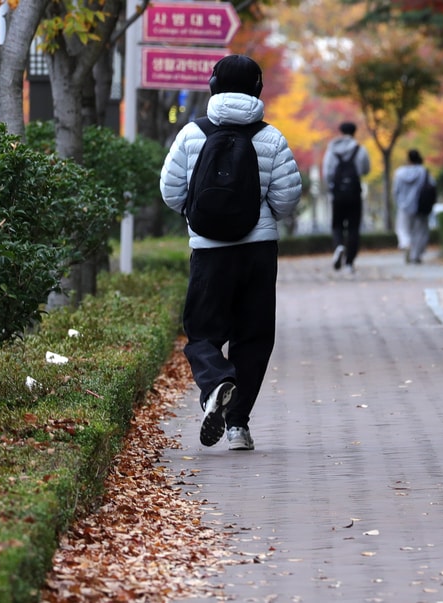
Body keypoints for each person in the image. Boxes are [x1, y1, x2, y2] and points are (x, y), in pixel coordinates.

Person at [159, 55, 302, 452]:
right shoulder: (270, 137)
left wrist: (199, 215)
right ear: (258, 89)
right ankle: (238, 425)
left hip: (209, 252)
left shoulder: (192, 134)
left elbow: (171, 193)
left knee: (202, 331)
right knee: (253, 337)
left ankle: (215, 382)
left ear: (212, 85)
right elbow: (287, 200)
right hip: (258, 251)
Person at [323, 122, 371, 274]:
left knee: (337, 224)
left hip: (337, 193)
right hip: (354, 193)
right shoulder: (360, 149)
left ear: (341, 131)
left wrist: (332, 186)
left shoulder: (331, 150)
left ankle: (338, 246)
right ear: (354, 132)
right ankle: (349, 263)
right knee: (353, 227)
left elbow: (327, 173)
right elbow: (365, 170)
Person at [393, 149, 435, 264]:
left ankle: (405, 244)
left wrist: (399, 201)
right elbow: (432, 186)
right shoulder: (424, 172)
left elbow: (395, 190)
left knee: (402, 228)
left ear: (408, 159)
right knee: (420, 232)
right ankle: (416, 256)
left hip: (403, 206)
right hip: (421, 206)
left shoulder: (399, 173)